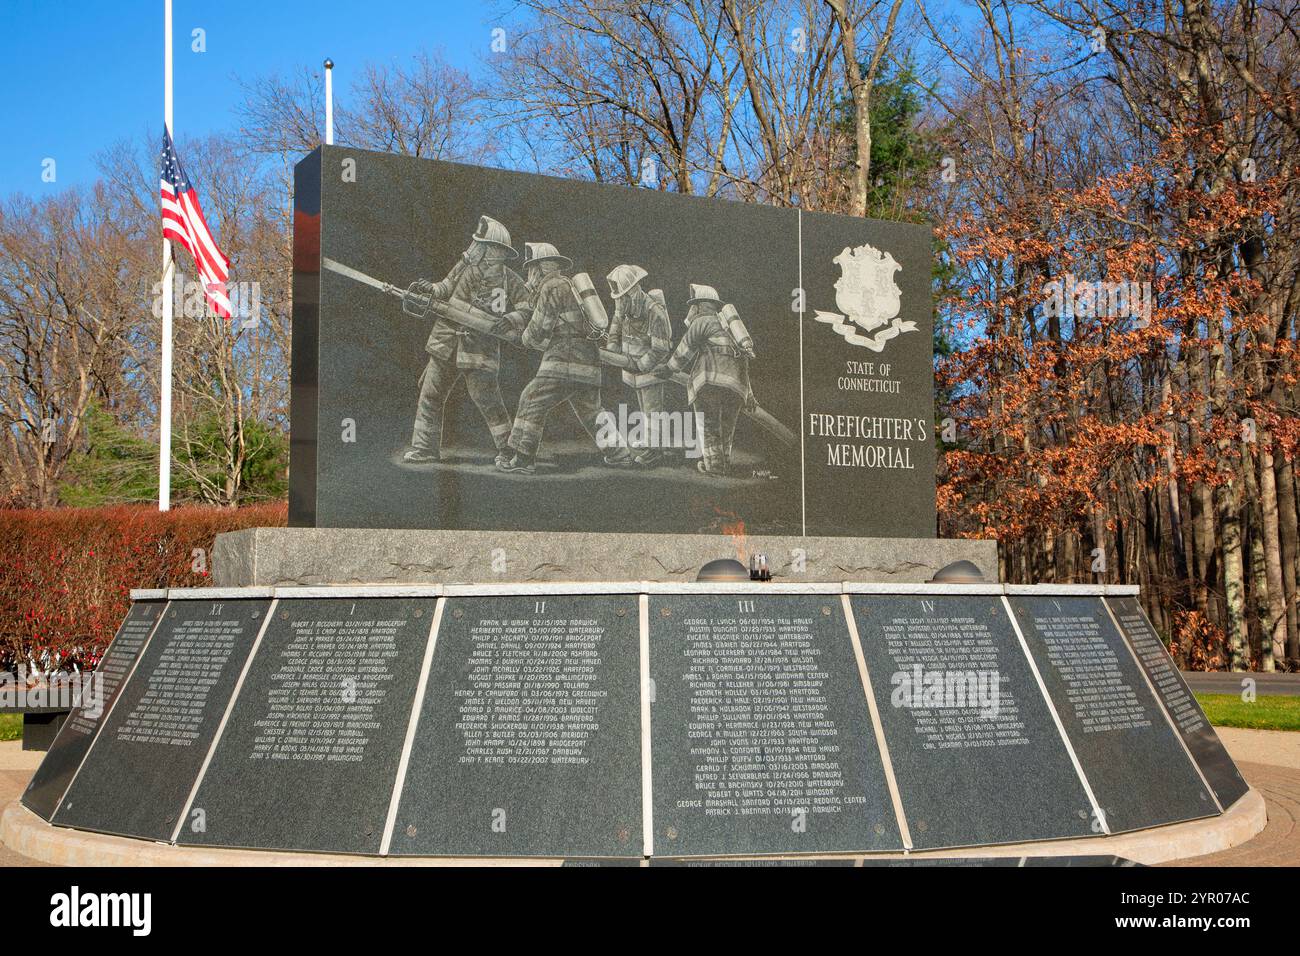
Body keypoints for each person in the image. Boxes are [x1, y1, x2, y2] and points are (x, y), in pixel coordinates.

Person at [404, 215, 530, 466]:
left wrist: (512, 318)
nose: (478, 250)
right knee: (430, 395)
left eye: (484, 245)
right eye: (479, 245)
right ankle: (424, 448)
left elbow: (528, 307)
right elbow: (446, 287)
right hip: (446, 341)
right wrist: (431, 289)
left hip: (479, 349)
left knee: (488, 401)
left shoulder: (510, 279)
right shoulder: (464, 267)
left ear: (499, 250)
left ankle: (508, 450)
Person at [498, 243, 634, 474]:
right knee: (592, 411)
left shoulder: (551, 286)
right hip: (588, 361)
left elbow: (540, 328)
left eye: (530, 268)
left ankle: (522, 459)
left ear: (539, 268)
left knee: (531, 399)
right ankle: (620, 454)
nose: (528, 274)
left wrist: (523, 339)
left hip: (563, 360)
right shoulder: (569, 285)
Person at [662, 284, 755, 476]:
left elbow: (684, 350)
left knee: (710, 428)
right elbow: (744, 362)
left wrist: (668, 369)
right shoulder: (731, 329)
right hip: (737, 387)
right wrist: (749, 394)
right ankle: (723, 466)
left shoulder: (703, 321)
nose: (691, 309)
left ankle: (714, 468)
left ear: (701, 305)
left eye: (693, 305)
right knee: (726, 429)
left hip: (710, 383)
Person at [605, 264, 673, 465]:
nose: (619, 303)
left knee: (653, 411)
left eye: (623, 297)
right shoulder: (624, 308)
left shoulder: (654, 311)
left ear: (632, 293)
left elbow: (661, 348)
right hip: (633, 369)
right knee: (644, 408)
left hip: (650, 370)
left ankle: (655, 451)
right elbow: (614, 329)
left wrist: (641, 365)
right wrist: (612, 348)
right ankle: (650, 441)